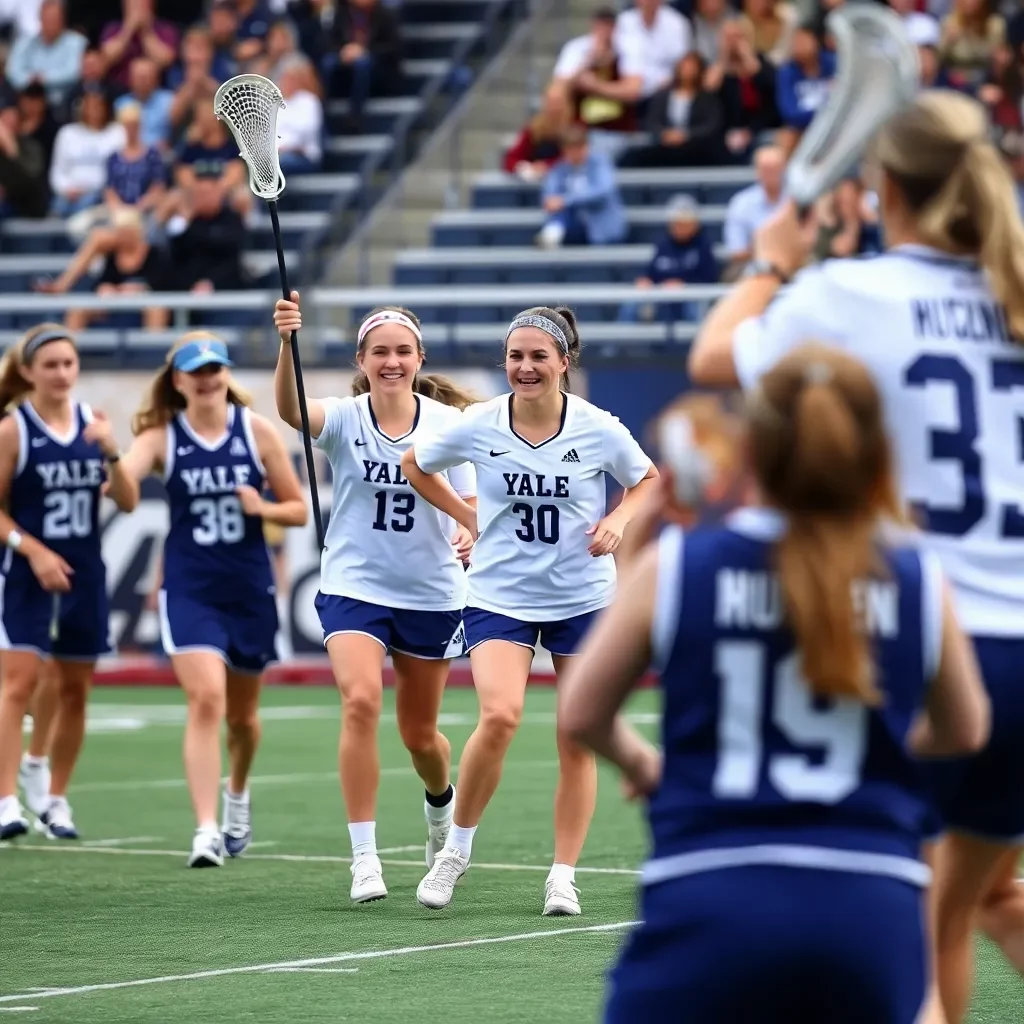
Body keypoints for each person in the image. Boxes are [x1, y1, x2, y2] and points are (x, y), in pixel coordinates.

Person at [687, 89, 1024, 1023]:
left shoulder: (851, 295)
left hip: (925, 640)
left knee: (924, 916)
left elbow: (715, 354)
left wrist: (772, 262)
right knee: (972, 900)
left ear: (884, 188)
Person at [560, 344, 990, 1023]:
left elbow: (581, 711)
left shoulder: (680, 566)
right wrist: (881, 742)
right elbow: (965, 728)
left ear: (751, 447)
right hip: (872, 897)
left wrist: (647, 764)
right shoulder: (914, 575)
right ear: (874, 447)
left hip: (711, 887)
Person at [400, 305, 659, 915]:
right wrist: (468, 519)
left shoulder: (598, 427)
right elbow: (416, 463)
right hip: (499, 595)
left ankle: (562, 874)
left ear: (564, 363)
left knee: (578, 734)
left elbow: (650, 480)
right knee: (500, 716)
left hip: (582, 597)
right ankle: (455, 853)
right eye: (516, 356)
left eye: (539, 356)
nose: (525, 367)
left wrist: (618, 519)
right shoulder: (480, 421)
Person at [272, 294, 477, 904]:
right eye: (380, 352)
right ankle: (365, 858)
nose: (392, 361)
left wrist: (469, 528)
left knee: (420, 736)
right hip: (354, 584)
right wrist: (287, 343)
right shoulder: (343, 416)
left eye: (402, 351)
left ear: (418, 359)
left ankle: (441, 806)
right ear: (362, 359)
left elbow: (468, 505)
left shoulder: (447, 427)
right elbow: (290, 411)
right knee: (359, 701)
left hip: (431, 592)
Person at [116, 333, 307, 867]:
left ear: (225, 374)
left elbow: (297, 509)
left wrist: (261, 507)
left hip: (248, 588)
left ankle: (237, 794)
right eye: (196, 370)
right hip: (190, 588)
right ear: (178, 381)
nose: (207, 377)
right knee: (206, 700)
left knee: (244, 720)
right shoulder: (162, 436)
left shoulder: (256, 430)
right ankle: (204, 829)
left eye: (215, 367)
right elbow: (126, 493)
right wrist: (111, 461)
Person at [0, 324, 135, 841]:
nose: (60, 373)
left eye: (68, 364)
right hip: (27, 575)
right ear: (29, 371)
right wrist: (32, 551)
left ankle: (54, 796)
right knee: (18, 686)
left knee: (76, 689)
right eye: (50, 365)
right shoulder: (15, 429)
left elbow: (125, 501)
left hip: (85, 573)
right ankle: (7, 801)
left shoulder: (92, 424)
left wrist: (112, 451)